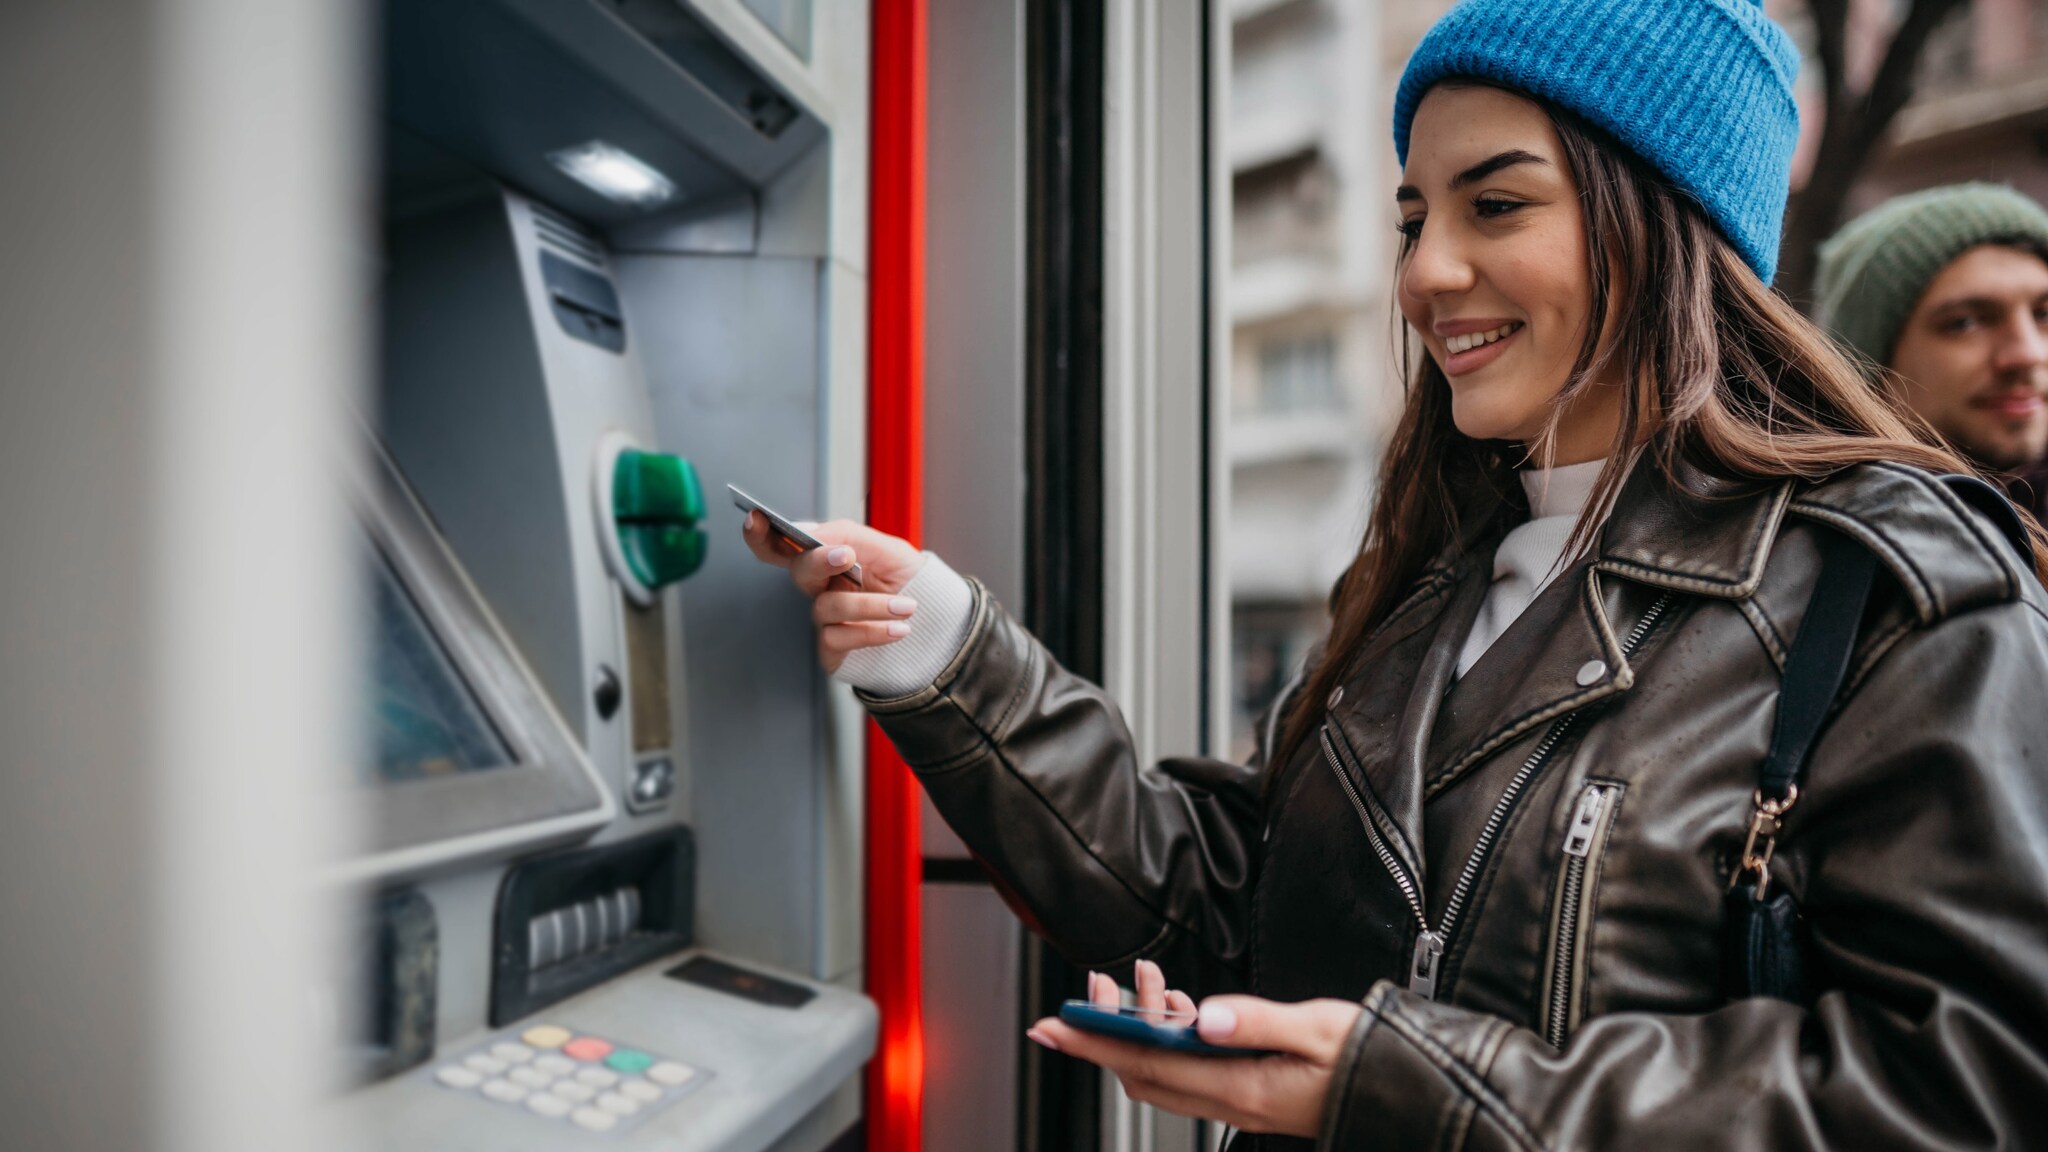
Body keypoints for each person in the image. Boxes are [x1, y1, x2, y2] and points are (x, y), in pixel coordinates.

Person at [747, 0, 2048, 1146]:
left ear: (1666, 219)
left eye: (1496, 204)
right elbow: (1221, 902)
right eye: (1415, 215)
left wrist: (1402, 1085)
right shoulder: (1433, 582)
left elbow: (1969, 1085)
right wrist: (941, 642)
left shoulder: (1901, 586)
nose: (1426, 273)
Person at [1816, 183, 2048, 520]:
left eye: (2043, 314)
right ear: (1869, 366)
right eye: (1964, 323)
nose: (2027, 353)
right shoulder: (1830, 553)